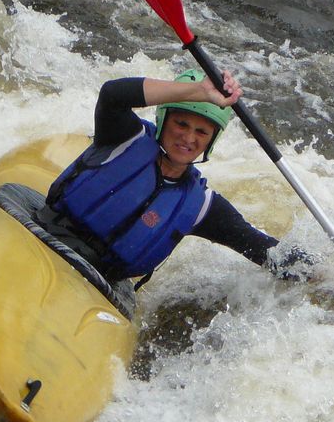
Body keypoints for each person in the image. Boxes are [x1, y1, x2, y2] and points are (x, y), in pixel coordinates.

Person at [35, 68, 308, 291]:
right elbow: (112, 94)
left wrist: (323, 274)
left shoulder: (200, 206)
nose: (189, 138)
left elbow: (264, 249)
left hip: (97, 285)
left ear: (211, 142)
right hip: (45, 237)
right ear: (164, 120)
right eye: (181, 124)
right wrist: (198, 91)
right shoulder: (123, 137)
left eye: (201, 132)